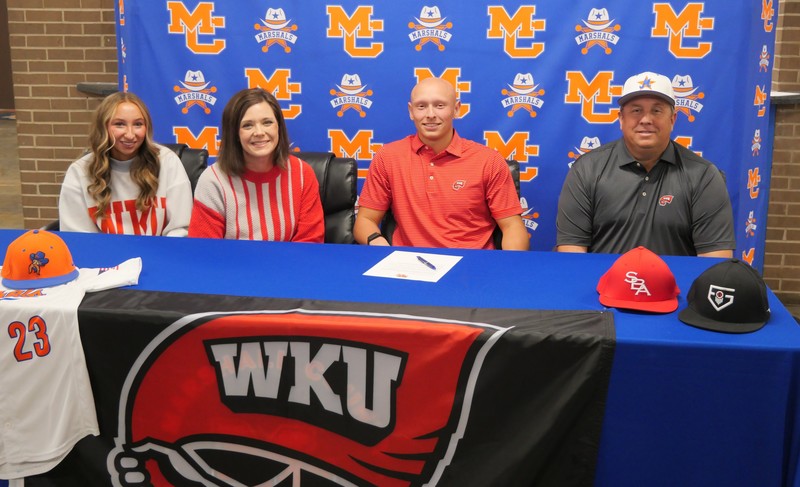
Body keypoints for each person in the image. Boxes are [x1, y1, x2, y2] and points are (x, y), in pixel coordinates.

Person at [556, 71, 735, 257]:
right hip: (601, 285)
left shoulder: (703, 175)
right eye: (636, 110)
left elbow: (715, 259)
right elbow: (572, 253)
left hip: (677, 286)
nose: (646, 120)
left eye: (657, 111)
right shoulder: (587, 169)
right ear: (621, 119)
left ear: (672, 120)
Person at [354, 77, 529, 250]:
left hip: (471, 267)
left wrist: (510, 270)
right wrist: (381, 245)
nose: (430, 115)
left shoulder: (488, 161)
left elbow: (512, 227)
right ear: (411, 111)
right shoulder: (388, 157)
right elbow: (365, 220)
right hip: (408, 266)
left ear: (456, 109)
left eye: (439, 105)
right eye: (421, 106)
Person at [188, 88, 324, 242]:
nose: (259, 132)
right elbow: (204, 250)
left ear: (278, 127)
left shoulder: (302, 174)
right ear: (235, 134)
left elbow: (310, 243)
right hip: (230, 265)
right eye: (247, 125)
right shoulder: (213, 180)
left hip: (287, 265)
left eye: (267, 122)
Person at [59, 92, 193, 236]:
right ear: (103, 127)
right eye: (120, 124)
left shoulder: (168, 162)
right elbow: (78, 237)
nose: (130, 134)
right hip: (105, 257)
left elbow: (181, 229)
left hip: (159, 255)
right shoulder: (80, 171)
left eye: (138, 124)